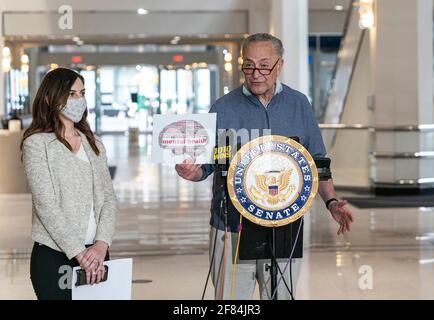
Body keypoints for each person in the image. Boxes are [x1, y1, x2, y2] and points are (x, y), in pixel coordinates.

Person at [175, 33, 354, 300]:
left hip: (285, 226)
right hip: (230, 227)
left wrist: (331, 202)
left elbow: (317, 162)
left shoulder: (299, 105)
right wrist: (193, 172)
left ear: (279, 65)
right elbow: (209, 165)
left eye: (264, 65)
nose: (255, 73)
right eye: (248, 65)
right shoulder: (223, 108)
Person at [21, 67, 117, 300]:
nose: (79, 100)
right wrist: (80, 253)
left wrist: (101, 244)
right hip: (55, 255)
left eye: (82, 93)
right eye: (71, 94)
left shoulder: (94, 144)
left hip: (96, 254)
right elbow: (46, 205)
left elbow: (108, 199)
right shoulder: (37, 144)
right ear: (49, 97)